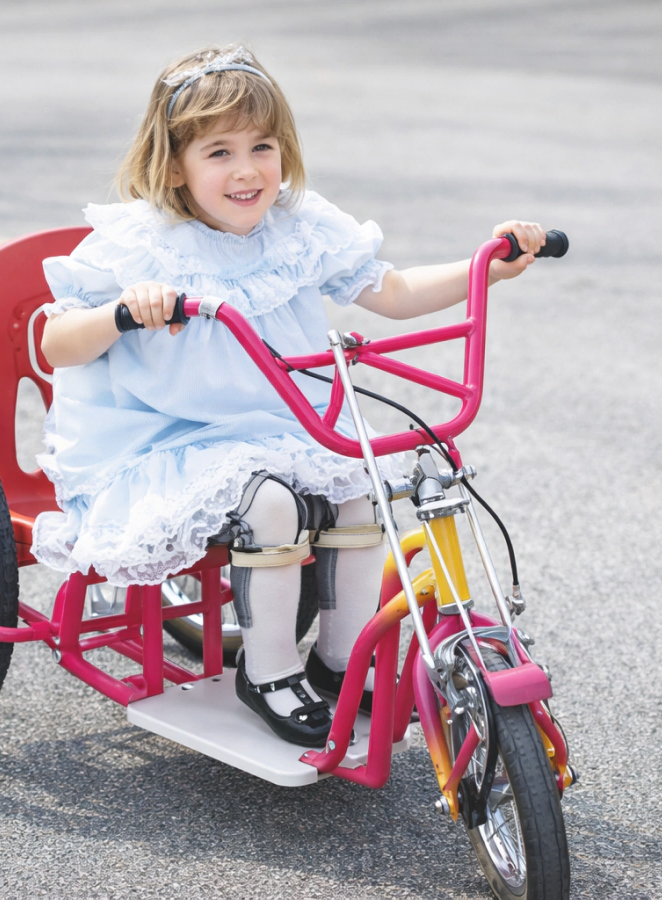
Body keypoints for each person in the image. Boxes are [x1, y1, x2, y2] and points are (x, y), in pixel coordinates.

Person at [35, 45, 545, 747]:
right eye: (218, 152)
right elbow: (57, 344)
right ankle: (268, 671)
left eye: (263, 146)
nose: (246, 170)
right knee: (271, 505)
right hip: (167, 438)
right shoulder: (141, 245)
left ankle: (338, 665)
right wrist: (125, 309)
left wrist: (489, 269)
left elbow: (392, 293)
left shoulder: (298, 227)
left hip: (284, 424)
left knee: (362, 485)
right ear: (174, 164)